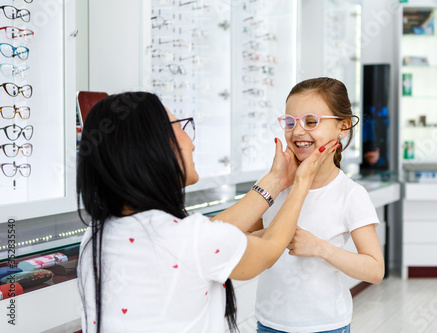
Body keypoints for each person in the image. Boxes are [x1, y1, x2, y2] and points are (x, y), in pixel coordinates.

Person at [76, 91, 339, 333]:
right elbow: (268, 250)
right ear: (151, 145)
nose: (190, 141)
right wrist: (301, 183)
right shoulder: (190, 240)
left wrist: (277, 180)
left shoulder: (95, 236)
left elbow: (208, 236)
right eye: (180, 126)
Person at [250, 78, 385, 333]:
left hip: (326, 326)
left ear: (343, 127)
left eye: (311, 122)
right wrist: (270, 236)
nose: (298, 132)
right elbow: (244, 239)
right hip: (268, 323)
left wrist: (320, 248)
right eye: (290, 122)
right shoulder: (271, 186)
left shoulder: (350, 194)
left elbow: (375, 270)